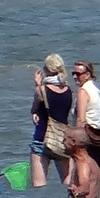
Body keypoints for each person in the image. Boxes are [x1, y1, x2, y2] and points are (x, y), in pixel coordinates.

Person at [30, 55, 74, 187]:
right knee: (68, 185)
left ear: (46, 69)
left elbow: (33, 110)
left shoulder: (42, 90)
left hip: (42, 139)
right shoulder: (68, 91)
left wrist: (38, 84)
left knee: (39, 186)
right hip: (62, 140)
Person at [71, 61, 100, 165]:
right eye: (73, 74)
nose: (75, 77)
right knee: (94, 175)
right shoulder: (96, 89)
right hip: (99, 137)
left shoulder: (83, 91)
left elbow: (81, 120)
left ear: (88, 74)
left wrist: (74, 143)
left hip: (87, 139)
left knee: (82, 176)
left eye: (78, 74)